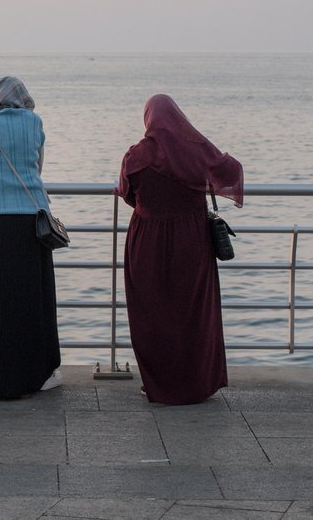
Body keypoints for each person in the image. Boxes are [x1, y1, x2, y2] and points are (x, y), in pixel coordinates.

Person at [115, 93, 244, 405]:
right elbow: (231, 170)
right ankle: (197, 384)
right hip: (192, 240)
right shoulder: (197, 150)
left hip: (147, 240)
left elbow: (127, 193)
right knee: (193, 312)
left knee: (151, 312)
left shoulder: (136, 155)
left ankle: (159, 385)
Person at [0, 77, 62, 397]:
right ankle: (39, 371)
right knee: (32, 295)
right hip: (30, 218)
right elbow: (37, 166)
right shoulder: (34, 122)